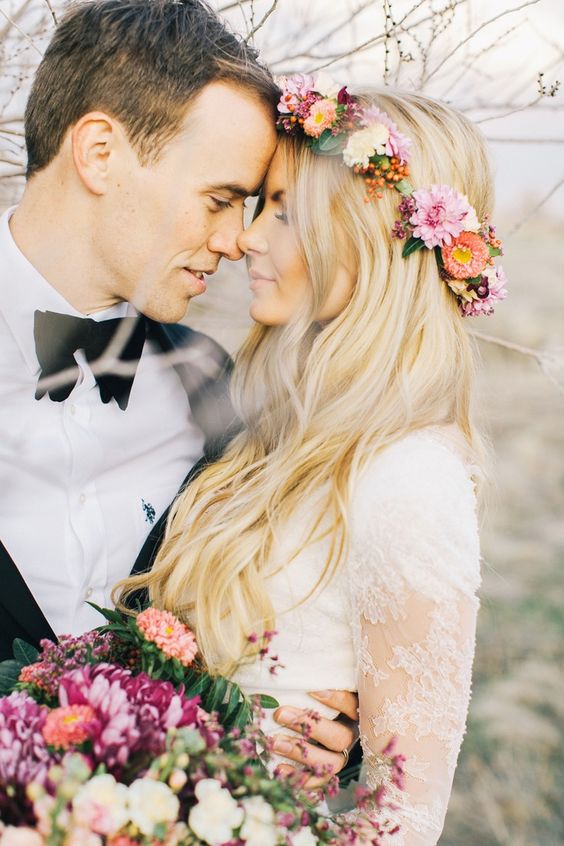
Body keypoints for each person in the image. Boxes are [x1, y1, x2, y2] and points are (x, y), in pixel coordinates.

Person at [121, 77, 508, 843]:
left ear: (368, 241)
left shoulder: (410, 479)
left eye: (288, 213)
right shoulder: (265, 429)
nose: (250, 238)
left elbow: (401, 818)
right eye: (263, 204)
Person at [0, 1, 357, 780]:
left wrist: (325, 734)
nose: (237, 242)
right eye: (221, 199)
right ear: (99, 153)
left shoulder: (212, 387)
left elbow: (273, 608)